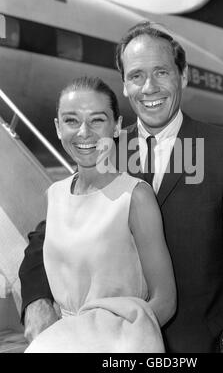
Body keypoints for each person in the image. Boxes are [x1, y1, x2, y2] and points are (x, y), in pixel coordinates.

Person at [19, 21, 223, 353]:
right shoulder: (102, 149)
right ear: (124, 85)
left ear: (182, 76)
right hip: (112, 347)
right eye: (136, 76)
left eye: (162, 73)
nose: (149, 87)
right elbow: (47, 236)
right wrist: (36, 300)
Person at [23, 77, 176, 352]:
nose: (84, 132)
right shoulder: (55, 195)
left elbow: (165, 301)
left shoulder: (135, 196)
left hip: (122, 346)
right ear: (58, 127)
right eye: (71, 120)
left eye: (96, 120)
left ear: (116, 126)